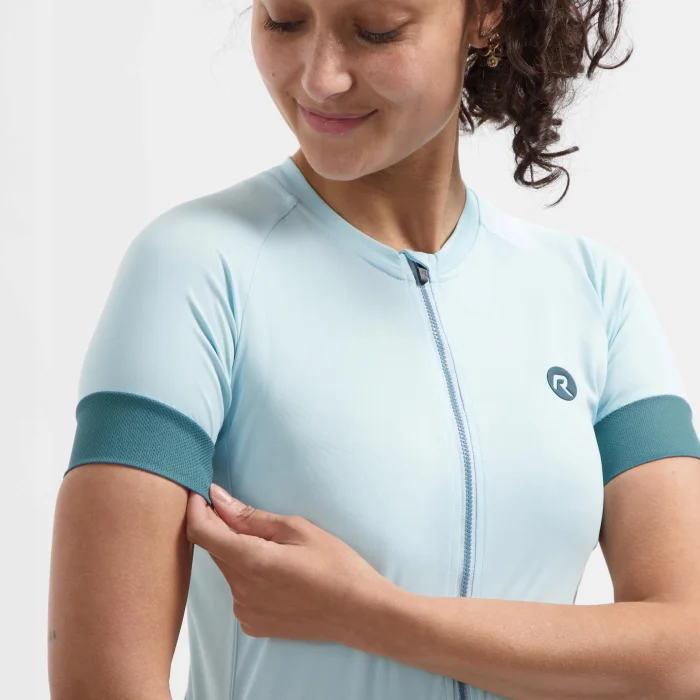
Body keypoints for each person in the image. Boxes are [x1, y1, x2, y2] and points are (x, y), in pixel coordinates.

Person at [48, 1, 700, 699]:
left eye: (377, 31)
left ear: (485, 16)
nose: (320, 78)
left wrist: (368, 615)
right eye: (284, 20)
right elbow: (100, 685)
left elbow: (685, 655)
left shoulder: (592, 291)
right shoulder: (193, 271)